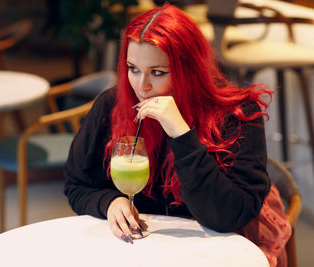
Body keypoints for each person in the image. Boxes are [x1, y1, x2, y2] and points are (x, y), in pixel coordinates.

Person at [64, 4, 291, 266]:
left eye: (158, 72)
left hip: (212, 249)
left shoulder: (236, 114)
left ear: (189, 71)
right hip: (142, 252)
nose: (142, 86)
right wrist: (109, 201)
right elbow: (76, 184)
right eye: (133, 68)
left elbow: (228, 217)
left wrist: (182, 134)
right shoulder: (111, 106)